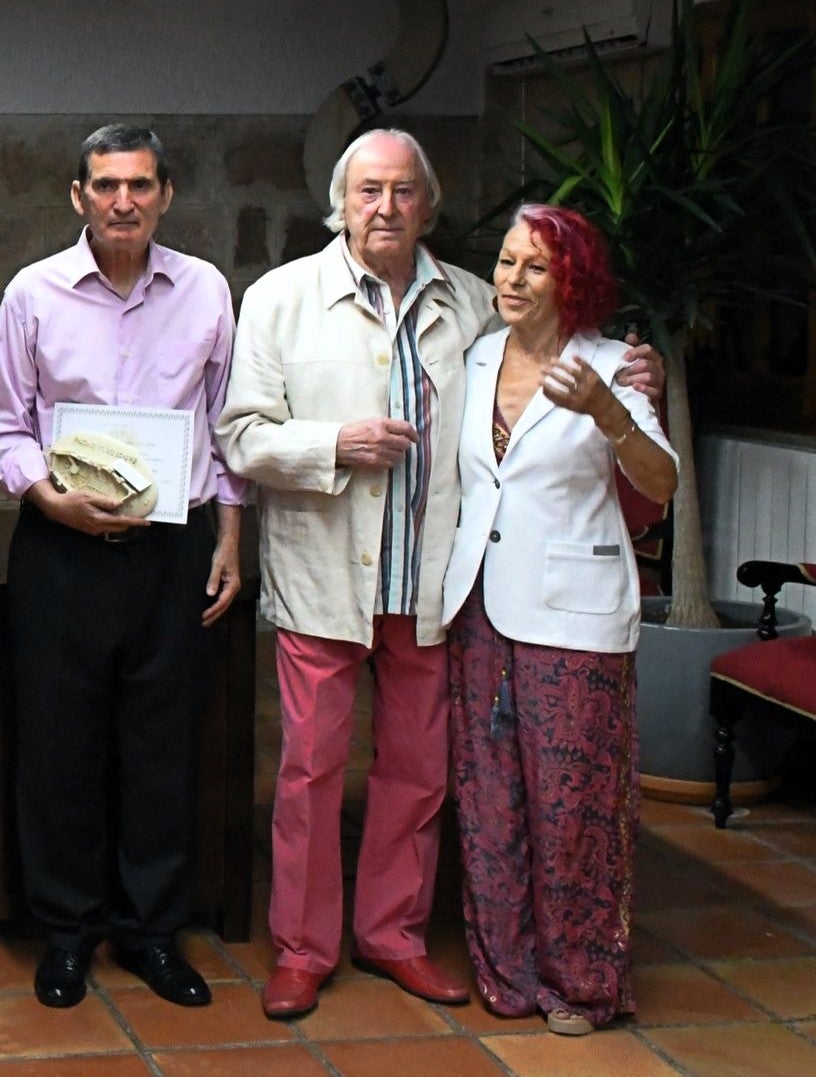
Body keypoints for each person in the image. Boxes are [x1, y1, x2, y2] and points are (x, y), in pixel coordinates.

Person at [217, 129, 661, 1019]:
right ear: (340, 201)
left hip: (436, 585)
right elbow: (240, 435)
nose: (386, 209)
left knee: (420, 772)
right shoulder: (278, 299)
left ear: (429, 202)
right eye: (369, 191)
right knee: (309, 769)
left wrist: (628, 364)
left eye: (403, 192)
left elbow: (543, 349)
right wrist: (331, 443)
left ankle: (393, 934)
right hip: (324, 579)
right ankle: (304, 947)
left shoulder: (472, 301)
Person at [0, 124, 242, 1011]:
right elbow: (5, 424)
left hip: (174, 550)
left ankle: (151, 933)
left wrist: (232, 537)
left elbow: (226, 425)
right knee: (58, 748)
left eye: (138, 185)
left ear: (165, 193)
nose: (122, 200)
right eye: (105, 185)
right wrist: (46, 496)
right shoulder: (34, 293)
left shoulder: (205, 289)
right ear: (78, 196)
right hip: (61, 549)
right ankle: (66, 934)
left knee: (161, 745)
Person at [442, 204, 674, 1036]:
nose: (511, 279)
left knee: (574, 801)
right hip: (478, 604)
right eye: (506, 262)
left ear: (571, 280)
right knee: (490, 794)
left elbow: (663, 480)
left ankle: (581, 981)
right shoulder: (472, 356)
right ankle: (505, 969)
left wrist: (611, 415)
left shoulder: (615, 366)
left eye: (533, 267)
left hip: (574, 615)